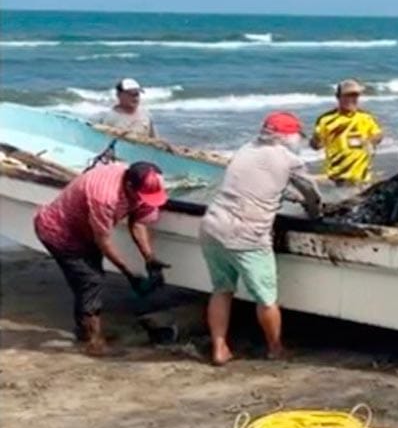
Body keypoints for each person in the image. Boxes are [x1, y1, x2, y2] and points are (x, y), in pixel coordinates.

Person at [200, 111, 322, 366]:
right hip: (248, 234)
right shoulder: (290, 160)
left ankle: (220, 348)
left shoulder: (246, 148)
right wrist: (314, 213)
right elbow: (312, 194)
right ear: (288, 137)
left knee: (222, 289)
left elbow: (258, 180)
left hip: (212, 225)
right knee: (266, 298)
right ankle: (275, 348)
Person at [33, 161, 170, 355]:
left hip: (85, 232)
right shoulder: (105, 197)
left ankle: (84, 330)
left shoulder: (146, 182)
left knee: (90, 281)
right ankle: (94, 342)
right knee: (91, 281)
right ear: (129, 187)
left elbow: (138, 223)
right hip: (58, 232)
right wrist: (129, 274)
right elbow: (103, 241)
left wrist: (149, 258)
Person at [310, 79, 382, 185]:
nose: (351, 99)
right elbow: (316, 145)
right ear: (338, 97)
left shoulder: (366, 117)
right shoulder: (326, 119)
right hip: (336, 178)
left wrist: (370, 141)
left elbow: (378, 135)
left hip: (362, 178)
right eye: (347, 96)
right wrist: (316, 140)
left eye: (355, 96)